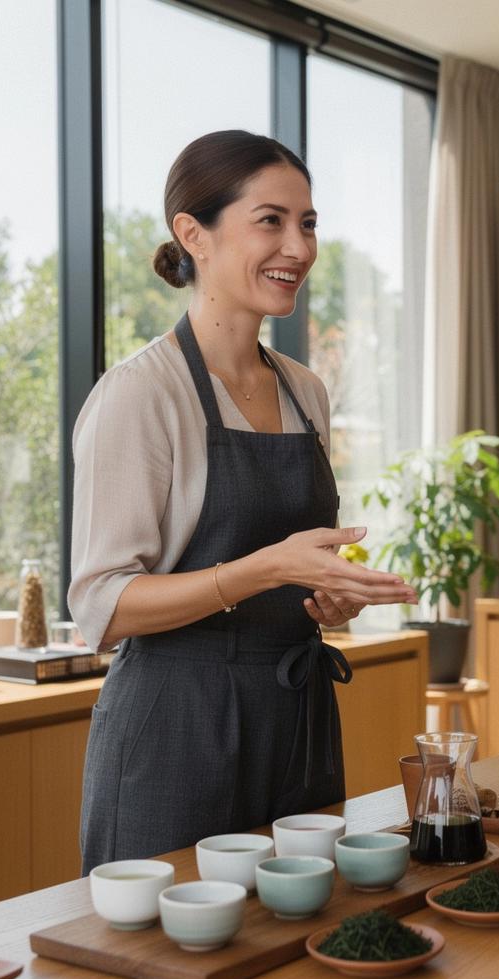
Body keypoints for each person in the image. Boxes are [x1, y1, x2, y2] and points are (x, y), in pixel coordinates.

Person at [70, 130, 417, 873]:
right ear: (193, 235)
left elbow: (294, 564)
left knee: (302, 952)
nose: (299, 245)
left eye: (309, 222)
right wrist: (260, 571)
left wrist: (326, 596)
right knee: (165, 970)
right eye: (272, 220)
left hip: (296, 718)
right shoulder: (140, 395)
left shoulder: (306, 390)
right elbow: (100, 605)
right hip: (175, 729)